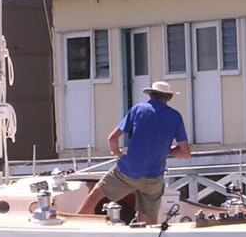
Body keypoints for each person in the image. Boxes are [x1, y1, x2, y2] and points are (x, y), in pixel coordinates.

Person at [76, 81, 191, 225]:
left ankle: (75, 223)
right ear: (169, 98)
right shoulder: (175, 116)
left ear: (150, 95)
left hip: (128, 171)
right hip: (153, 177)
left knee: (95, 194)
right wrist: (166, 150)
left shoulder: (138, 109)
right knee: (149, 215)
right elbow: (185, 153)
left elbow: (112, 138)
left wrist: (117, 153)